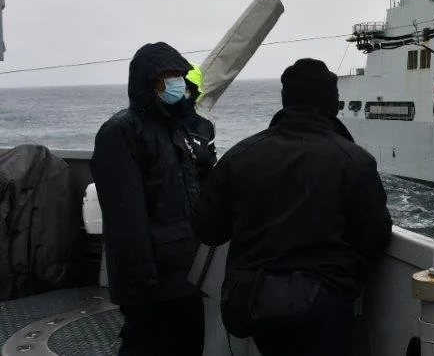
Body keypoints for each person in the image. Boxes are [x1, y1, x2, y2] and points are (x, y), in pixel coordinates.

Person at [193, 58, 392, 356]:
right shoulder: (354, 160)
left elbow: (209, 230)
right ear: (332, 103)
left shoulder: (239, 156)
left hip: (254, 303)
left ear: (285, 100)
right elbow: (374, 236)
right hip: (325, 305)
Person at [90, 42, 208, 356]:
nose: (177, 83)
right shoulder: (121, 132)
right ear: (148, 83)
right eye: (167, 76)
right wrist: (144, 275)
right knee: (145, 345)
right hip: (151, 278)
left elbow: (190, 191)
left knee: (189, 343)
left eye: (178, 75)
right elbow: (125, 214)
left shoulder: (177, 128)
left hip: (184, 271)